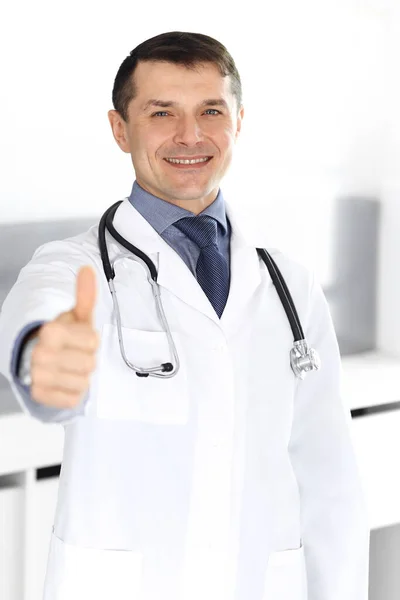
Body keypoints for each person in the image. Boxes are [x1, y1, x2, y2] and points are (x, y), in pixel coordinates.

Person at [0, 31, 369, 600]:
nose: (190, 135)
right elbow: (39, 316)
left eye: (211, 111)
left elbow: (329, 482)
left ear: (239, 122)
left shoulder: (289, 286)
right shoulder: (77, 267)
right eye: (162, 112)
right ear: (120, 129)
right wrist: (39, 356)